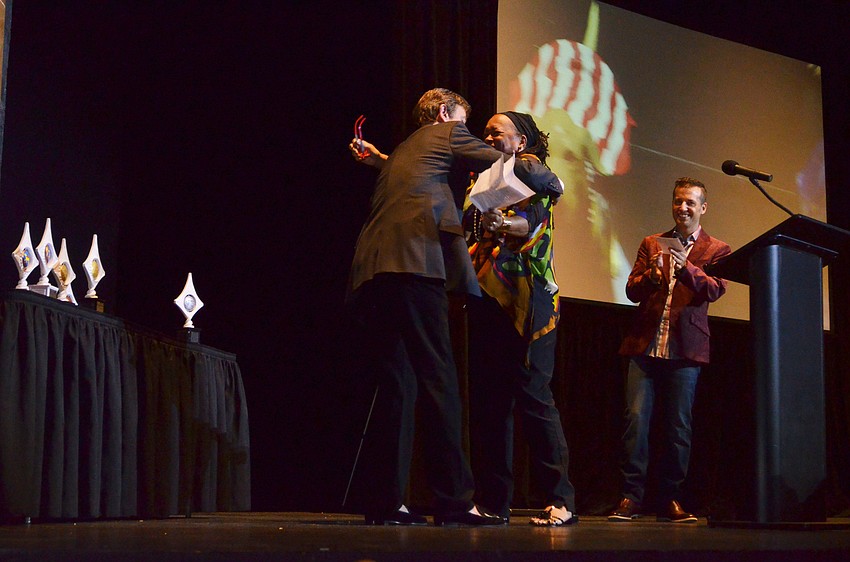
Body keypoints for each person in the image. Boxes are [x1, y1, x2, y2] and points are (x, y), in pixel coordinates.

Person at [347, 88, 505, 526]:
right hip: (415, 262)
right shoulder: (446, 133)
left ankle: (384, 502)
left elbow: (407, 177)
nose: (467, 130)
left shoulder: (402, 150)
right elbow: (494, 162)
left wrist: (376, 158)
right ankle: (454, 500)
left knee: (396, 383)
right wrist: (515, 151)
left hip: (373, 270)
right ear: (443, 113)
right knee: (438, 378)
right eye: (462, 120)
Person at [462, 112, 578, 526]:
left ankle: (561, 500)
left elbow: (528, 224)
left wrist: (502, 221)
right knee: (490, 403)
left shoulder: (534, 180)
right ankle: (493, 502)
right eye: (487, 130)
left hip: (530, 302)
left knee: (533, 398)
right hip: (487, 298)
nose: (489, 136)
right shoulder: (481, 181)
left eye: (498, 131)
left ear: (521, 141)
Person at [608, 177, 731, 523]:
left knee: (678, 427)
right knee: (636, 421)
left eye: (691, 202)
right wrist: (651, 275)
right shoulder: (652, 243)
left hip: (686, 350)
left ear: (702, 208)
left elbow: (714, 290)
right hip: (645, 345)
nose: (683, 208)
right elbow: (632, 290)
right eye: (678, 201)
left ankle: (671, 499)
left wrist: (686, 266)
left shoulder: (716, 249)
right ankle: (630, 497)